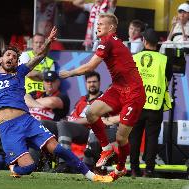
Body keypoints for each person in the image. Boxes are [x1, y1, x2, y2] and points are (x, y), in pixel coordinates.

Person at [0, 27, 108, 182]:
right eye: (8, 55)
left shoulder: (19, 73)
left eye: (14, 57)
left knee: (58, 149)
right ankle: (13, 165)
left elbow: (39, 56)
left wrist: (48, 42)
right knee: (29, 167)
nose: (11, 58)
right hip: (8, 128)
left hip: (27, 121)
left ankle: (92, 176)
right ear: (0, 59)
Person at [60, 13, 146, 182]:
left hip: (134, 93)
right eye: (97, 23)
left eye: (101, 24)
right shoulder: (109, 42)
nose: (97, 26)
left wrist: (69, 72)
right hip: (118, 88)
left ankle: (120, 168)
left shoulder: (108, 41)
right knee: (91, 112)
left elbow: (90, 66)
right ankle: (106, 149)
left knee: (121, 138)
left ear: (111, 28)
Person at [130, 28, 172, 178]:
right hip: (155, 105)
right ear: (157, 43)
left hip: (136, 105)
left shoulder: (134, 58)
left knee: (134, 137)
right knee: (152, 138)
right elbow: (167, 79)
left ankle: (134, 169)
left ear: (144, 41)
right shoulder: (165, 60)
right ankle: (149, 170)